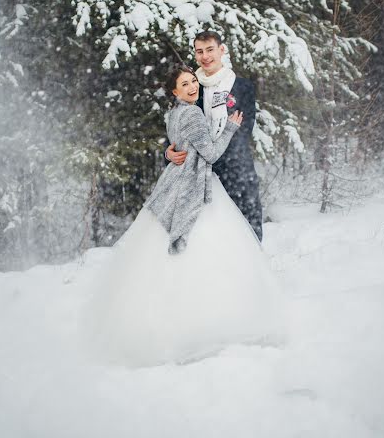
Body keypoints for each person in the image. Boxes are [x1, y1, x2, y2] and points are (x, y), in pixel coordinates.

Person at [82, 66, 286, 368]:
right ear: (175, 92)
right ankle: (205, 323)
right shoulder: (192, 114)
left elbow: (180, 145)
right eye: (184, 84)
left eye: (193, 82)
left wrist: (172, 152)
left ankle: (153, 325)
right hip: (195, 183)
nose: (192, 87)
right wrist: (230, 126)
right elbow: (211, 154)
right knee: (208, 249)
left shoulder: (175, 113)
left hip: (177, 178)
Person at [165, 31, 263, 242]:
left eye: (210, 49)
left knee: (248, 229)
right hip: (197, 172)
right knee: (205, 237)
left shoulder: (242, 86)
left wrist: (217, 156)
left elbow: (244, 129)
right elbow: (179, 125)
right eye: (199, 51)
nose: (205, 56)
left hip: (236, 170)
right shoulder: (191, 86)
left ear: (221, 50)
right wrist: (169, 152)